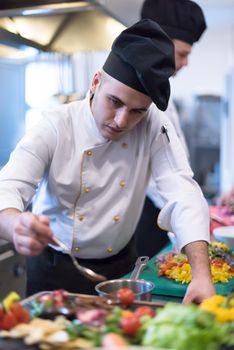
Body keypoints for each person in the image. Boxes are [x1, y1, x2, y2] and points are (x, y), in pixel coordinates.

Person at [0, 19, 215, 303]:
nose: (121, 121)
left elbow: (183, 192)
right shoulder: (55, 125)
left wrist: (201, 274)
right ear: (96, 82)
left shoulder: (154, 124)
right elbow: (9, 187)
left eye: (137, 111)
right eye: (115, 101)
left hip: (122, 270)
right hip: (56, 272)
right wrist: (15, 225)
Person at [135, 0, 207, 257]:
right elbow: (158, 182)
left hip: (171, 212)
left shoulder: (164, 90)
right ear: (158, 44)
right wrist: (185, 226)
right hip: (150, 220)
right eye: (183, 54)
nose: (186, 63)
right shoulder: (138, 97)